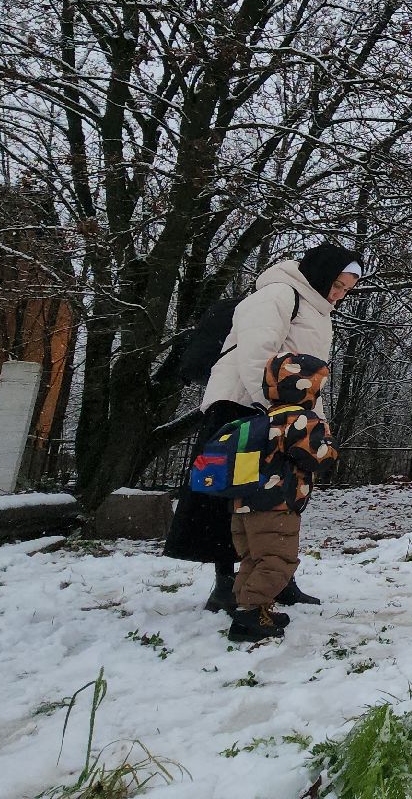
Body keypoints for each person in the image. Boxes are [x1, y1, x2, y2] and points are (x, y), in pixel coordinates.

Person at [162, 242, 361, 614]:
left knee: (281, 498)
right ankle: (226, 585)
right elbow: (257, 352)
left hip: (286, 417)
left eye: (346, 290)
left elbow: (307, 372)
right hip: (245, 408)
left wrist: (311, 418)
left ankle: (277, 579)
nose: (339, 295)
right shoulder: (279, 293)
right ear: (320, 273)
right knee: (233, 497)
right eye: (337, 285)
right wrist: (273, 409)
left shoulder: (319, 311)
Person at [227, 351, 338, 642]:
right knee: (278, 560)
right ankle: (248, 616)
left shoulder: (264, 417)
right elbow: (315, 458)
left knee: (253, 558)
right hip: (277, 504)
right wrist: (328, 446)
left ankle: (248, 605)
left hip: (245, 503)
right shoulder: (300, 419)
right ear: (305, 387)